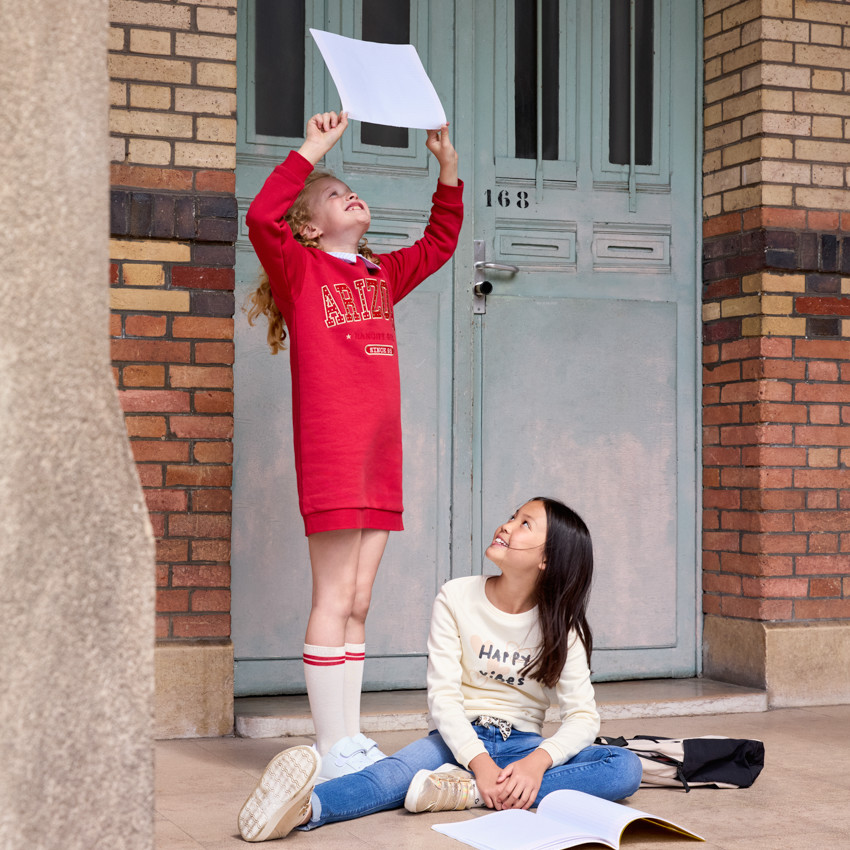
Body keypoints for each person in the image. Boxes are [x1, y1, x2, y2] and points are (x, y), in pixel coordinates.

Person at [244, 111, 463, 781]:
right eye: (335, 194)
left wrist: (445, 164)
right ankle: (330, 743)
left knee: (360, 600)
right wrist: (313, 149)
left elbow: (440, 243)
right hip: (334, 452)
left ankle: (350, 737)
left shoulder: (378, 274)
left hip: (379, 454)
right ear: (310, 225)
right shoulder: (300, 268)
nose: (351, 197)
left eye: (351, 191)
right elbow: (261, 216)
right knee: (333, 593)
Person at [237, 498, 643, 842]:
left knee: (623, 767)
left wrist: (539, 761)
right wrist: (480, 763)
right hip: (457, 738)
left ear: (546, 559)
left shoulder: (562, 628)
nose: (506, 526)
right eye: (512, 515)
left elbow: (583, 716)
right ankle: (305, 809)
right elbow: (444, 698)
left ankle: (464, 793)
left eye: (524, 525)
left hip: (522, 746)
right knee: (392, 774)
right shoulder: (457, 595)